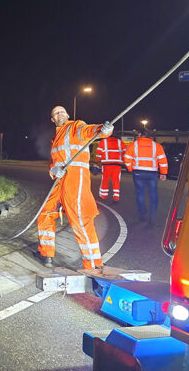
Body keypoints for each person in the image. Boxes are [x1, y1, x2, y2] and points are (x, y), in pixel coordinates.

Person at [37, 105, 112, 270]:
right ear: (52, 119)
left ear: (67, 115)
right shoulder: (55, 139)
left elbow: (90, 131)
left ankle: (93, 263)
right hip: (59, 182)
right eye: (56, 113)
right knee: (45, 213)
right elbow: (53, 163)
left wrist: (103, 130)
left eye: (62, 111)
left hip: (75, 179)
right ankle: (46, 253)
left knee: (80, 219)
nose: (60, 114)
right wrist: (53, 170)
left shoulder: (75, 126)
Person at [123, 129, 168, 226]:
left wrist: (130, 169)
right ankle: (152, 217)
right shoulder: (156, 146)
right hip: (152, 173)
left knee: (140, 194)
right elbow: (163, 160)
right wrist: (163, 173)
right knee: (153, 194)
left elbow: (126, 158)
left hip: (138, 172)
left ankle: (142, 214)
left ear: (140, 134)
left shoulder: (133, 145)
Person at [95, 132, 126, 203]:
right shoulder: (120, 142)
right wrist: (124, 162)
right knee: (116, 181)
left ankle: (103, 195)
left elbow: (99, 153)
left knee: (105, 180)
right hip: (117, 165)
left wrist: (97, 161)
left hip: (106, 165)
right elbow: (124, 153)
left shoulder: (103, 141)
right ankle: (116, 196)